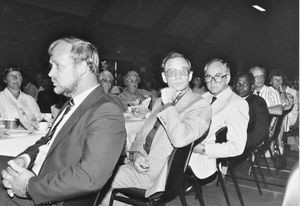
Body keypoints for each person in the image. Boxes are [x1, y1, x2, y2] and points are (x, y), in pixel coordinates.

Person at [0, 37, 126, 206]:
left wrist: (29, 186)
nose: (50, 73)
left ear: (82, 67)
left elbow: (90, 177)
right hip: (39, 176)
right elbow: (48, 141)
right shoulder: (72, 102)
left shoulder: (106, 110)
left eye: (57, 65)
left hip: (51, 197)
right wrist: (24, 159)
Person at [99, 51, 211, 205]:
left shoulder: (200, 105)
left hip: (160, 177)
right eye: (172, 72)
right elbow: (142, 133)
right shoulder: (158, 101)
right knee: (98, 180)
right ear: (164, 77)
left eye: (183, 71)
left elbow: (180, 139)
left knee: (102, 189)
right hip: (142, 167)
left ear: (190, 75)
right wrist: (136, 154)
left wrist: (168, 105)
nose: (178, 76)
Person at [189, 59, 249, 179]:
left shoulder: (237, 103)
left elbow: (237, 147)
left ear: (227, 78)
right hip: (187, 147)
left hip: (201, 160)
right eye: (208, 77)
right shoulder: (204, 97)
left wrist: (202, 149)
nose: (212, 82)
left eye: (217, 76)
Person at [234, 73, 269, 150]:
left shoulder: (257, 102)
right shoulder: (232, 100)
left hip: (243, 144)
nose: (241, 87)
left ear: (252, 87)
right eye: (238, 84)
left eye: (245, 84)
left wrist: (242, 144)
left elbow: (261, 130)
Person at [269, 69, 298, 153]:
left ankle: (278, 144)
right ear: (270, 81)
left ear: (283, 81)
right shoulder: (269, 90)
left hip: (289, 118)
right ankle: (272, 144)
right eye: (275, 80)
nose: (278, 82)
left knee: (280, 116)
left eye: (280, 80)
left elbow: (286, 106)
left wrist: (282, 92)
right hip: (274, 118)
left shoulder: (292, 92)